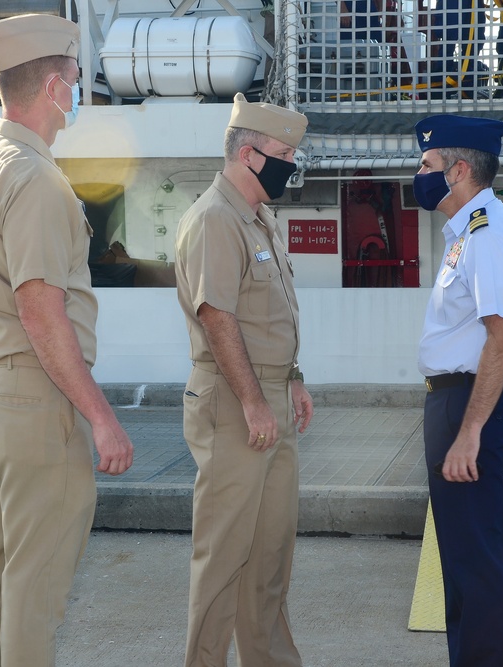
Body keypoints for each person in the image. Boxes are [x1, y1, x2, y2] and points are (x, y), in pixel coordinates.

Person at [0, 14, 134, 667]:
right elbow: (40, 309)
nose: (81, 90)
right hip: (36, 403)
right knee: (34, 598)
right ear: (55, 86)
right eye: (77, 78)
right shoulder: (36, 179)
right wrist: (101, 416)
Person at [175, 92, 314, 667]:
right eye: (284, 153)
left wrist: (294, 380)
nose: (291, 164)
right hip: (236, 405)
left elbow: (270, 315)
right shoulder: (214, 218)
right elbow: (218, 318)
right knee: (225, 557)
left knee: (269, 557)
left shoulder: (259, 218)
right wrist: (255, 401)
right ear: (249, 154)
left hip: (271, 397)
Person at [414, 114, 503, 666]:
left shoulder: (487, 232)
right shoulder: (467, 231)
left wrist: (470, 433)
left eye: (427, 164)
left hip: (469, 408)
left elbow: (502, 336)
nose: (420, 173)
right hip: (454, 402)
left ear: (458, 170)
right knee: (461, 558)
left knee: (476, 560)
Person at [418, 1, 489, 97]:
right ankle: (444, 81)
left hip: (471, 7)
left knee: (472, 41)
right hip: (454, 7)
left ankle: (467, 79)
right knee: (449, 41)